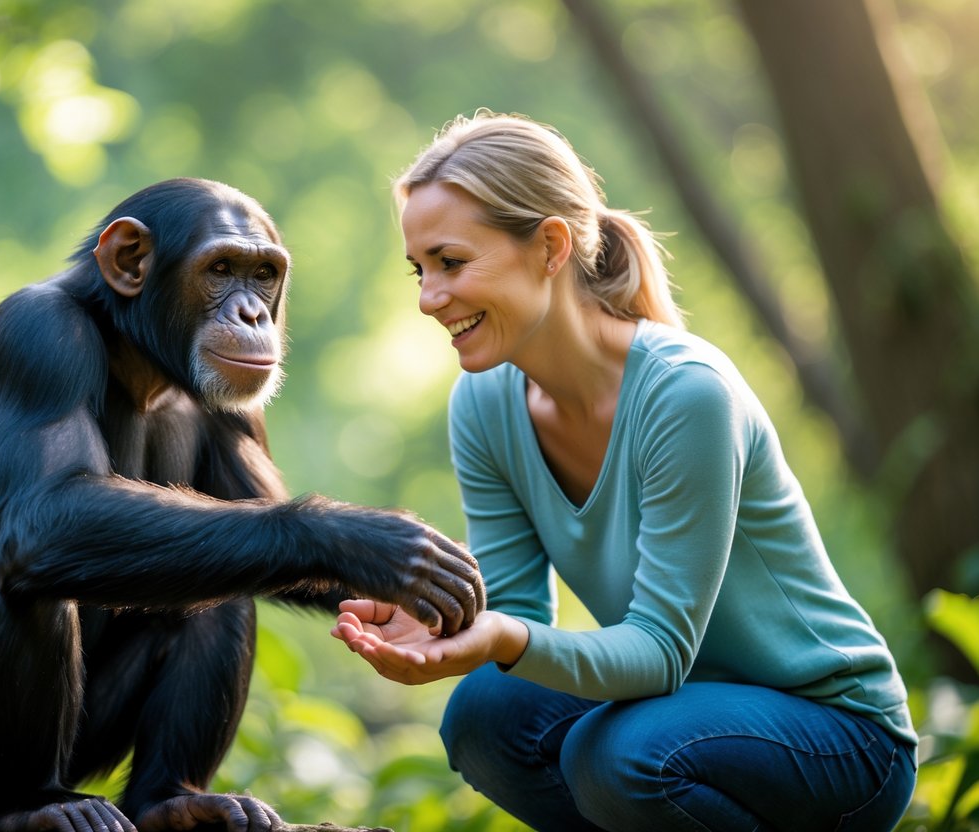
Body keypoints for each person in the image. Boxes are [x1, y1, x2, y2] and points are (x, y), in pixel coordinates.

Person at [331, 110, 917, 832]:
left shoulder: (685, 392)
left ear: (549, 245)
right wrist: (443, 616)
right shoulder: (483, 403)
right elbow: (513, 612)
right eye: (419, 270)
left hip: (837, 738)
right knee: (485, 717)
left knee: (618, 757)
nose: (428, 298)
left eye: (451, 262)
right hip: (678, 714)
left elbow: (659, 654)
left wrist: (500, 638)